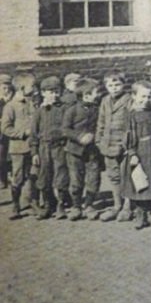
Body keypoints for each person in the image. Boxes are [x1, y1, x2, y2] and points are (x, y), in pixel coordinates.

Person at [122, 81, 151, 229]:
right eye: (142, 96)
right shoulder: (131, 115)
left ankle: (150, 213)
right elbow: (129, 136)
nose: (146, 100)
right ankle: (140, 213)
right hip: (140, 151)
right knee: (140, 181)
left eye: (149, 96)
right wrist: (132, 152)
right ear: (134, 96)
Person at [62, 78, 103, 220]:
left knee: (93, 178)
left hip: (92, 151)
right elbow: (65, 130)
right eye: (95, 92)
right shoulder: (72, 110)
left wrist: (95, 136)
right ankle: (76, 206)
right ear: (86, 95)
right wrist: (79, 137)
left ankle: (89, 205)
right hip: (74, 152)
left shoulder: (97, 109)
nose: (98, 95)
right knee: (76, 180)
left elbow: (101, 126)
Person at [96, 70, 132, 222]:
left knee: (127, 176)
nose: (114, 88)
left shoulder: (129, 100)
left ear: (123, 85)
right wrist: (99, 140)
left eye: (117, 84)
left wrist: (126, 144)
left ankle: (128, 207)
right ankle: (117, 204)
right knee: (114, 176)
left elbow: (131, 124)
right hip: (107, 145)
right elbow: (101, 121)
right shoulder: (105, 100)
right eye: (110, 85)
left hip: (123, 146)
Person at [2, 70, 37, 220]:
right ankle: (15, 205)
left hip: (34, 147)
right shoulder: (11, 106)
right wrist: (23, 133)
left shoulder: (34, 103)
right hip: (18, 148)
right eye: (32, 86)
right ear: (22, 88)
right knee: (18, 177)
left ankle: (33, 202)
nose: (35, 89)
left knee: (33, 175)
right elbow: (5, 128)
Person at [30, 75, 65, 220]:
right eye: (50, 91)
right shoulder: (39, 111)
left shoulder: (64, 109)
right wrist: (34, 152)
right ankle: (48, 205)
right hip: (43, 148)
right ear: (43, 93)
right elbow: (34, 133)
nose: (54, 95)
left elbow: (67, 128)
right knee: (44, 177)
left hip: (59, 147)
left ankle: (61, 205)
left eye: (56, 91)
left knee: (60, 176)